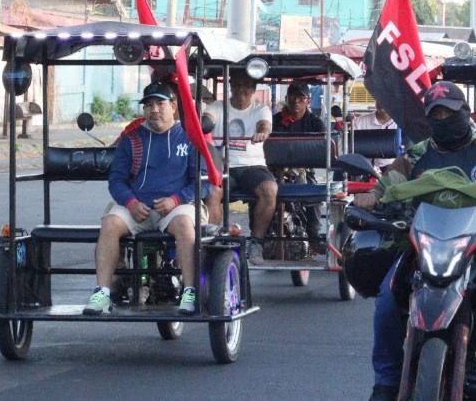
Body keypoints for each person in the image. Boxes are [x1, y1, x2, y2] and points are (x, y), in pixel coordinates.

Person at [354, 81, 476, 401]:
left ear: (465, 112)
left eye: (449, 112)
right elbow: (385, 186)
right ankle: (385, 384)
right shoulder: (418, 154)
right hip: (424, 248)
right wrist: (369, 199)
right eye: (436, 114)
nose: (443, 119)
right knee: (387, 299)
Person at [83, 81, 208, 315]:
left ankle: (190, 291)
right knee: (110, 223)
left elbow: (203, 181)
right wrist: (130, 203)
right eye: (149, 105)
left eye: (160, 104)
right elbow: (116, 180)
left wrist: (176, 200)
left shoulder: (190, 137)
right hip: (138, 207)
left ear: (173, 106)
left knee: (184, 224)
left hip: (177, 207)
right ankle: (103, 292)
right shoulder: (132, 139)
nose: (154, 110)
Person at [205, 71, 277, 265]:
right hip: (223, 165)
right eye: (236, 85)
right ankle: (212, 241)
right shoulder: (217, 106)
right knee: (211, 191)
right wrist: (204, 123)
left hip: (252, 166)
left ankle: (257, 242)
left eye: (246, 86)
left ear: (253, 90)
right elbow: (207, 118)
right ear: (231, 87)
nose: (241, 90)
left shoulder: (260, 109)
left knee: (270, 190)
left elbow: (264, 125)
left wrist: (262, 133)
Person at [273, 81, 327, 245]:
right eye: (292, 97)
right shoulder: (274, 120)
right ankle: (258, 238)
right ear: (286, 98)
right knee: (259, 195)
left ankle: (314, 235)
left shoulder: (315, 123)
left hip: (304, 169)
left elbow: (323, 147)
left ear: (308, 101)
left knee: (314, 195)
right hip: (276, 169)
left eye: (301, 98)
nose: (296, 101)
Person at [353, 99, 399, 169]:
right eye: (379, 99)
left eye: (386, 99)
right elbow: (348, 148)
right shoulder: (360, 121)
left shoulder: (401, 124)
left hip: (393, 170)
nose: (382, 102)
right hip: (363, 169)